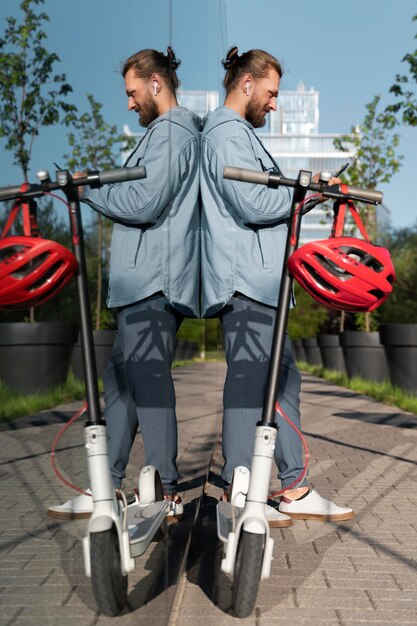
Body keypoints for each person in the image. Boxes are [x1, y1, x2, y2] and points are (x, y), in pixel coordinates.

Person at [200, 46, 354, 525]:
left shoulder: (238, 134)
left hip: (260, 281)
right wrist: (307, 195)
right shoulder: (226, 135)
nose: (273, 103)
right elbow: (253, 203)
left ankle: (291, 486)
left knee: (281, 380)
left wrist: (304, 191)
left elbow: (264, 198)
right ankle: (237, 491)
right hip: (245, 281)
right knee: (251, 382)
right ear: (246, 84)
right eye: (270, 93)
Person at [47, 47, 200, 521]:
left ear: (156, 83)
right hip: (139, 284)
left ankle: (166, 489)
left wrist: (90, 190)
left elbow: (146, 199)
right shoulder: (163, 134)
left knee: (148, 381)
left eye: (132, 93)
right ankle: (106, 486)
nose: (129, 104)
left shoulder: (173, 133)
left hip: (155, 281)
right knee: (120, 385)